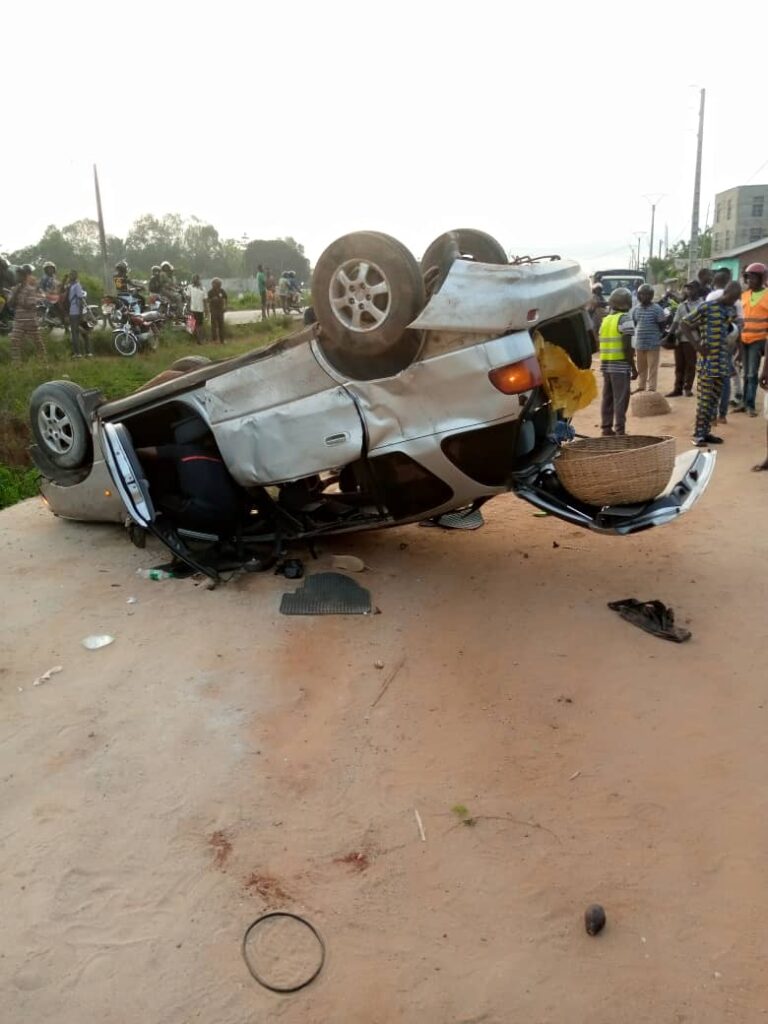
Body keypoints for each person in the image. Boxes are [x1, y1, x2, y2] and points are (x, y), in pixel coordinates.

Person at [679, 281, 741, 446]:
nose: (734, 301)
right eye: (733, 297)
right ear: (726, 293)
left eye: (736, 299)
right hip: (707, 363)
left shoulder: (730, 311)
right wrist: (697, 345)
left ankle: (706, 433)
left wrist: (737, 350)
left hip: (722, 362)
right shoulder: (707, 307)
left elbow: (731, 332)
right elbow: (684, 324)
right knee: (704, 401)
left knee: (714, 400)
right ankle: (698, 435)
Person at [706, 268, 744, 424]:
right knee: (725, 378)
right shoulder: (738, 302)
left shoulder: (711, 296)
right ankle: (722, 414)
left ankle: (713, 415)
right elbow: (741, 325)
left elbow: (704, 320)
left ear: (716, 282)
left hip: (711, 344)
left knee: (711, 379)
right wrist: (738, 346)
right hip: (729, 343)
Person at [598, 287, 635, 436]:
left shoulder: (606, 320)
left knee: (607, 397)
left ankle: (606, 428)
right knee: (621, 399)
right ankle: (620, 431)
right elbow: (627, 346)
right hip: (620, 366)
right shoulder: (625, 318)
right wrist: (633, 366)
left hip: (606, 365)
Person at [735, 262, 768, 417]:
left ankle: (750, 404)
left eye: (753, 277)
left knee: (752, 373)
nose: (750, 281)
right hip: (743, 339)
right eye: (748, 277)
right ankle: (743, 402)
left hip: (758, 339)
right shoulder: (744, 295)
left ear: (761, 278)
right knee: (745, 372)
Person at [667, 281, 702, 397]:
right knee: (679, 365)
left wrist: (687, 327)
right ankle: (677, 388)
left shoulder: (702, 305)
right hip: (679, 339)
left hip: (692, 339)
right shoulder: (682, 305)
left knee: (690, 364)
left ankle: (687, 388)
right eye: (687, 289)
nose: (689, 291)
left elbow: (702, 321)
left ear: (697, 289)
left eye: (691, 288)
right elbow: (675, 322)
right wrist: (669, 335)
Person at [631, 284, 668, 392]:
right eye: (642, 294)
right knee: (641, 367)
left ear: (651, 295)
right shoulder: (635, 310)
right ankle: (641, 387)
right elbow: (634, 324)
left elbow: (662, 325)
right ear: (638, 295)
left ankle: (652, 388)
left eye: (647, 294)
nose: (644, 297)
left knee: (652, 368)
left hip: (653, 344)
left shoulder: (657, 309)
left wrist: (656, 337)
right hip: (639, 344)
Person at [10, 265, 47, 362]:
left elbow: (29, 304)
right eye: (16, 275)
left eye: (19, 275)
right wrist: (15, 294)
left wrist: (19, 300)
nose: (17, 277)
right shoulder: (15, 289)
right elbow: (10, 304)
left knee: (37, 342)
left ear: (24, 276)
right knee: (15, 340)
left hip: (30, 321)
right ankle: (17, 364)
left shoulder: (30, 289)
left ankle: (43, 361)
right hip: (18, 320)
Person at [65, 270, 91, 358]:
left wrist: (80, 315)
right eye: (70, 275)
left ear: (75, 276)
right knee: (79, 333)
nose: (70, 277)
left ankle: (80, 353)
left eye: (72, 275)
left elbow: (80, 299)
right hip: (74, 312)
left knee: (77, 333)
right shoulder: (71, 286)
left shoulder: (76, 286)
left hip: (76, 313)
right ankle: (84, 353)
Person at [186, 273, 206, 342]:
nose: (194, 280)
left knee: (199, 325)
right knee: (191, 325)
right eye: (193, 279)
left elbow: (205, 300)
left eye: (196, 279)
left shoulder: (203, 288)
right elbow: (188, 298)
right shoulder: (190, 287)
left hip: (200, 309)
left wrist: (206, 310)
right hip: (192, 309)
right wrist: (188, 308)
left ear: (199, 280)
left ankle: (200, 339)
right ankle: (191, 340)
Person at [207, 277, 228, 343]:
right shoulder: (210, 292)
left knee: (221, 325)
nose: (219, 284)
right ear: (213, 284)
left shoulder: (222, 291)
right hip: (213, 310)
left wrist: (225, 306)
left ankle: (222, 340)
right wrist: (212, 300)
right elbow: (207, 300)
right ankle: (214, 340)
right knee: (214, 326)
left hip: (220, 310)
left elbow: (225, 298)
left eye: (219, 283)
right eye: (217, 283)